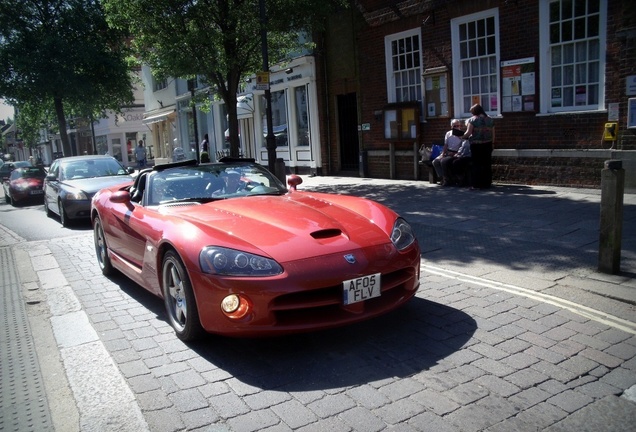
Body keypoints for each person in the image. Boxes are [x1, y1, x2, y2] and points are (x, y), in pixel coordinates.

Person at [462, 104, 495, 189]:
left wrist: (461, 136)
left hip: (476, 145)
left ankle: (477, 184)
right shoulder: (490, 120)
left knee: (477, 164)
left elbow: (468, 133)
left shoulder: (472, 120)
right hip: (488, 144)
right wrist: (493, 143)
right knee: (487, 164)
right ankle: (487, 183)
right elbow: (493, 133)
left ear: (474, 112)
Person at [433, 119, 464, 186]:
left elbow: (463, 146)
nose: (456, 127)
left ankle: (448, 180)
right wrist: (443, 154)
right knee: (435, 161)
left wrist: (460, 138)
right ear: (451, 127)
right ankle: (442, 178)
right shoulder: (448, 133)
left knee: (444, 161)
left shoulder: (462, 134)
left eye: (457, 126)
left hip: (456, 153)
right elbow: (446, 145)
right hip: (448, 151)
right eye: (454, 126)